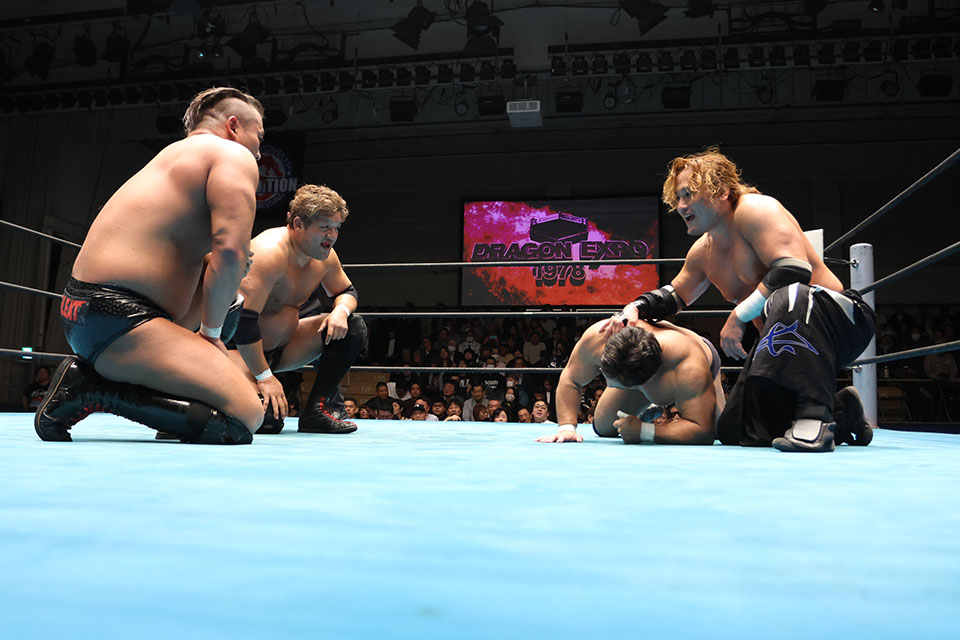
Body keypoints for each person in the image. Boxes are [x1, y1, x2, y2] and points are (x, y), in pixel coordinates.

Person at [602, 147, 875, 452]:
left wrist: (739, 315)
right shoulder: (704, 252)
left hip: (840, 324)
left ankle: (815, 420)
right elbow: (674, 295)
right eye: (677, 197)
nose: (681, 206)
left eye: (689, 194)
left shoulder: (755, 209)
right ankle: (843, 411)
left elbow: (794, 269)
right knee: (736, 428)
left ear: (721, 191)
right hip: (783, 343)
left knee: (789, 293)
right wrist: (634, 308)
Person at [37, 87, 266, 444]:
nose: (259, 151)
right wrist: (210, 336)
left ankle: (162, 403)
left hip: (87, 311)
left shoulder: (173, 156)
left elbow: (209, 257)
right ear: (234, 126)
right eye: (259, 137)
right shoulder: (232, 154)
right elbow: (232, 253)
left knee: (230, 299)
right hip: (120, 315)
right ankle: (92, 389)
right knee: (246, 415)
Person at [221, 184, 364, 435]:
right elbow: (243, 321)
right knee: (267, 420)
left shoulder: (324, 256)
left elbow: (347, 291)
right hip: (237, 352)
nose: (332, 235)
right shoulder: (269, 253)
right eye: (324, 227)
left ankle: (317, 411)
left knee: (353, 326)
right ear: (298, 224)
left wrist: (340, 311)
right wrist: (264, 376)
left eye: (336, 227)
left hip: (285, 348)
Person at [537, 318, 723, 445]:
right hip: (635, 366)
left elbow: (702, 430)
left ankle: (646, 411)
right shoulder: (599, 337)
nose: (608, 385)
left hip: (697, 362)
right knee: (604, 426)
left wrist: (645, 431)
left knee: (722, 432)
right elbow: (571, 378)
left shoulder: (688, 364)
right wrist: (567, 428)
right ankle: (645, 409)